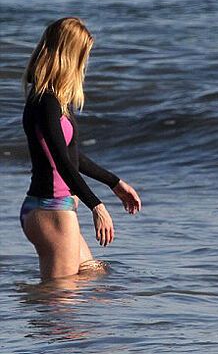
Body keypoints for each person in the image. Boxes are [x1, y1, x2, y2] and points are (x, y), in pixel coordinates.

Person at [20, 17, 141, 281]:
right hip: (50, 210)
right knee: (60, 306)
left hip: (55, 208)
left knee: (95, 277)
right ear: (69, 56)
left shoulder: (56, 101)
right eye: (82, 56)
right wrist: (96, 206)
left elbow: (72, 157)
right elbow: (62, 162)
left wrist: (114, 182)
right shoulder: (45, 101)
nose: (83, 65)